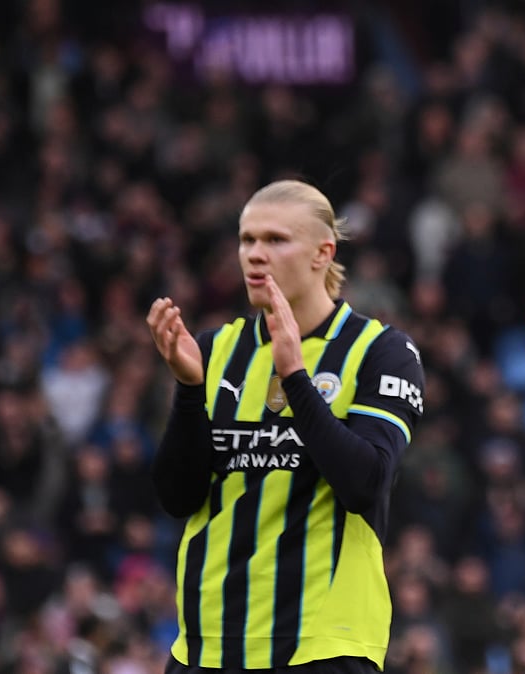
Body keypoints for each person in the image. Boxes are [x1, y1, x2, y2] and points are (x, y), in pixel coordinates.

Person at [147, 179, 425, 673]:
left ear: (323, 253)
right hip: (208, 646)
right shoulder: (214, 349)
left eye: (275, 240)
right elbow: (177, 498)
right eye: (246, 239)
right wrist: (189, 392)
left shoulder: (380, 352)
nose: (254, 254)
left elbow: (366, 485)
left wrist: (296, 377)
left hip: (321, 646)